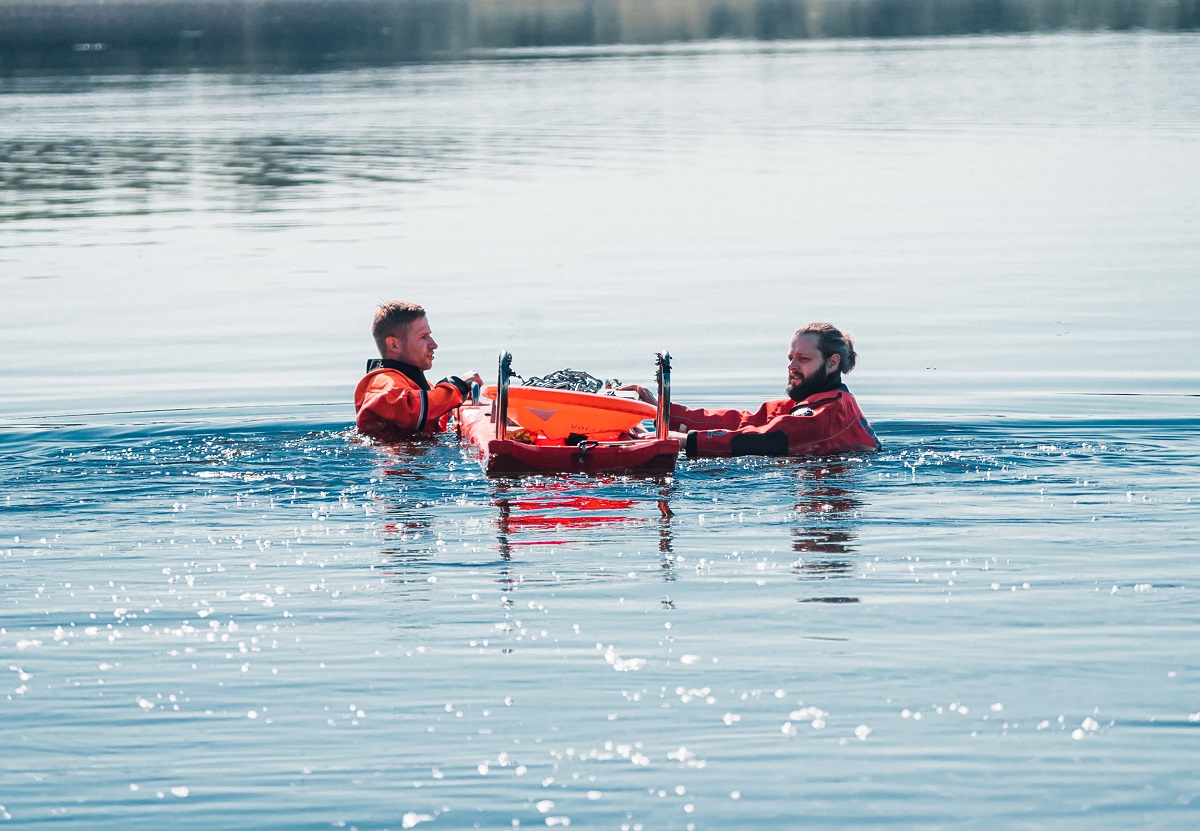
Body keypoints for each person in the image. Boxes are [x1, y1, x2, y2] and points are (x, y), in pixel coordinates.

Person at [625, 322, 880, 458]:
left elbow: (758, 440)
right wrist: (662, 411)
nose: (791, 366)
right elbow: (741, 421)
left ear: (832, 362)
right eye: (791, 357)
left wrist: (680, 441)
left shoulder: (828, 414)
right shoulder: (808, 404)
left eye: (803, 359)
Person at [354, 301, 480, 442]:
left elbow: (426, 418)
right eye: (423, 337)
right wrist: (457, 387)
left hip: (416, 454)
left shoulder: (414, 383)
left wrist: (455, 402)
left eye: (429, 335)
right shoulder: (383, 382)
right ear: (394, 345)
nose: (434, 345)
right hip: (393, 460)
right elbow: (412, 411)